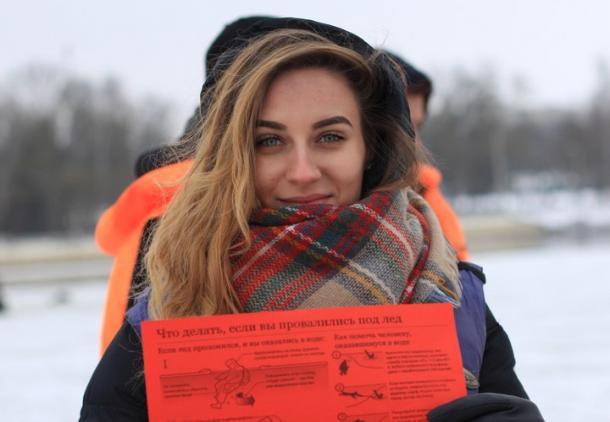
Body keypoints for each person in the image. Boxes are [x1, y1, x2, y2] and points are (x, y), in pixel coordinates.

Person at [81, 17, 542, 422]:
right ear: (234, 155)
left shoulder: (456, 302)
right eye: (269, 142)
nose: (303, 172)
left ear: (370, 148)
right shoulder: (171, 307)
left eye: (330, 137)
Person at [384, 52, 469, 261]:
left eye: (417, 127)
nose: (413, 143)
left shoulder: (428, 194)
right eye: (401, 127)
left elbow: (462, 273)